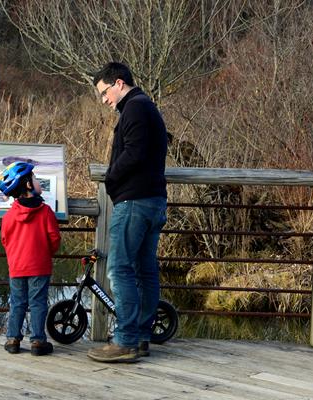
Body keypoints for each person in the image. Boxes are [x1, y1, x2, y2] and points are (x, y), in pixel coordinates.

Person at [87, 62, 171, 363]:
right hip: (154, 200)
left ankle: (125, 340)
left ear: (118, 83)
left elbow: (133, 154)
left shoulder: (134, 109)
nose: (105, 100)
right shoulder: (147, 107)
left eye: (105, 92)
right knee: (144, 270)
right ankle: (142, 336)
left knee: (119, 268)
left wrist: (110, 177)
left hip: (135, 202)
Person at [0, 161, 61, 356]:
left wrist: (16, 256)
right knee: (38, 302)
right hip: (40, 266)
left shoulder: (8, 216)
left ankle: (13, 339)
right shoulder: (46, 212)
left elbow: (5, 240)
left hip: (17, 266)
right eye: (34, 178)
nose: (37, 181)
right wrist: (44, 253)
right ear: (28, 185)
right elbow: (54, 240)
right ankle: (37, 341)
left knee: (17, 302)